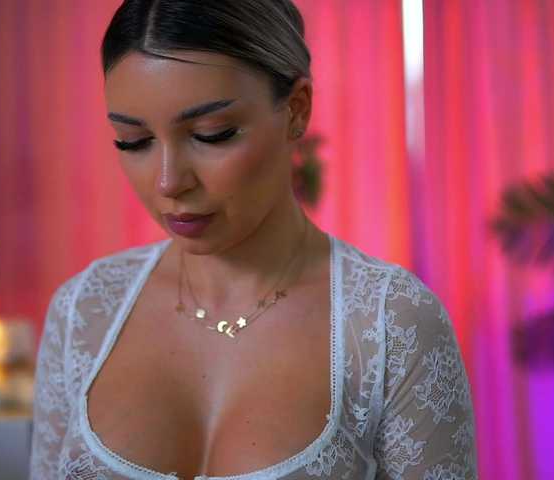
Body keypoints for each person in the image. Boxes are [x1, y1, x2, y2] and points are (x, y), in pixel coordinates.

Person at [28, 1, 478, 479]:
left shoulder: (392, 326)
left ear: (296, 109)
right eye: (133, 141)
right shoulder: (84, 312)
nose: (168, 181)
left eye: (212, 134)